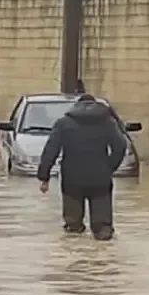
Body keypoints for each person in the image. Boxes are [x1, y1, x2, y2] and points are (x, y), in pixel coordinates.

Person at [35, 94, 129, 240]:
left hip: (72, 180)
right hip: (100, 180)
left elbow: (50, 151)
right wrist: (108, 168)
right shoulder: (108, 123)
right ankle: (103, 258)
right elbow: (121, 146)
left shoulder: (63, 123)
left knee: (73, 229)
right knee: (103, 229)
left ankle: (74, 257)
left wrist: (44, 177)